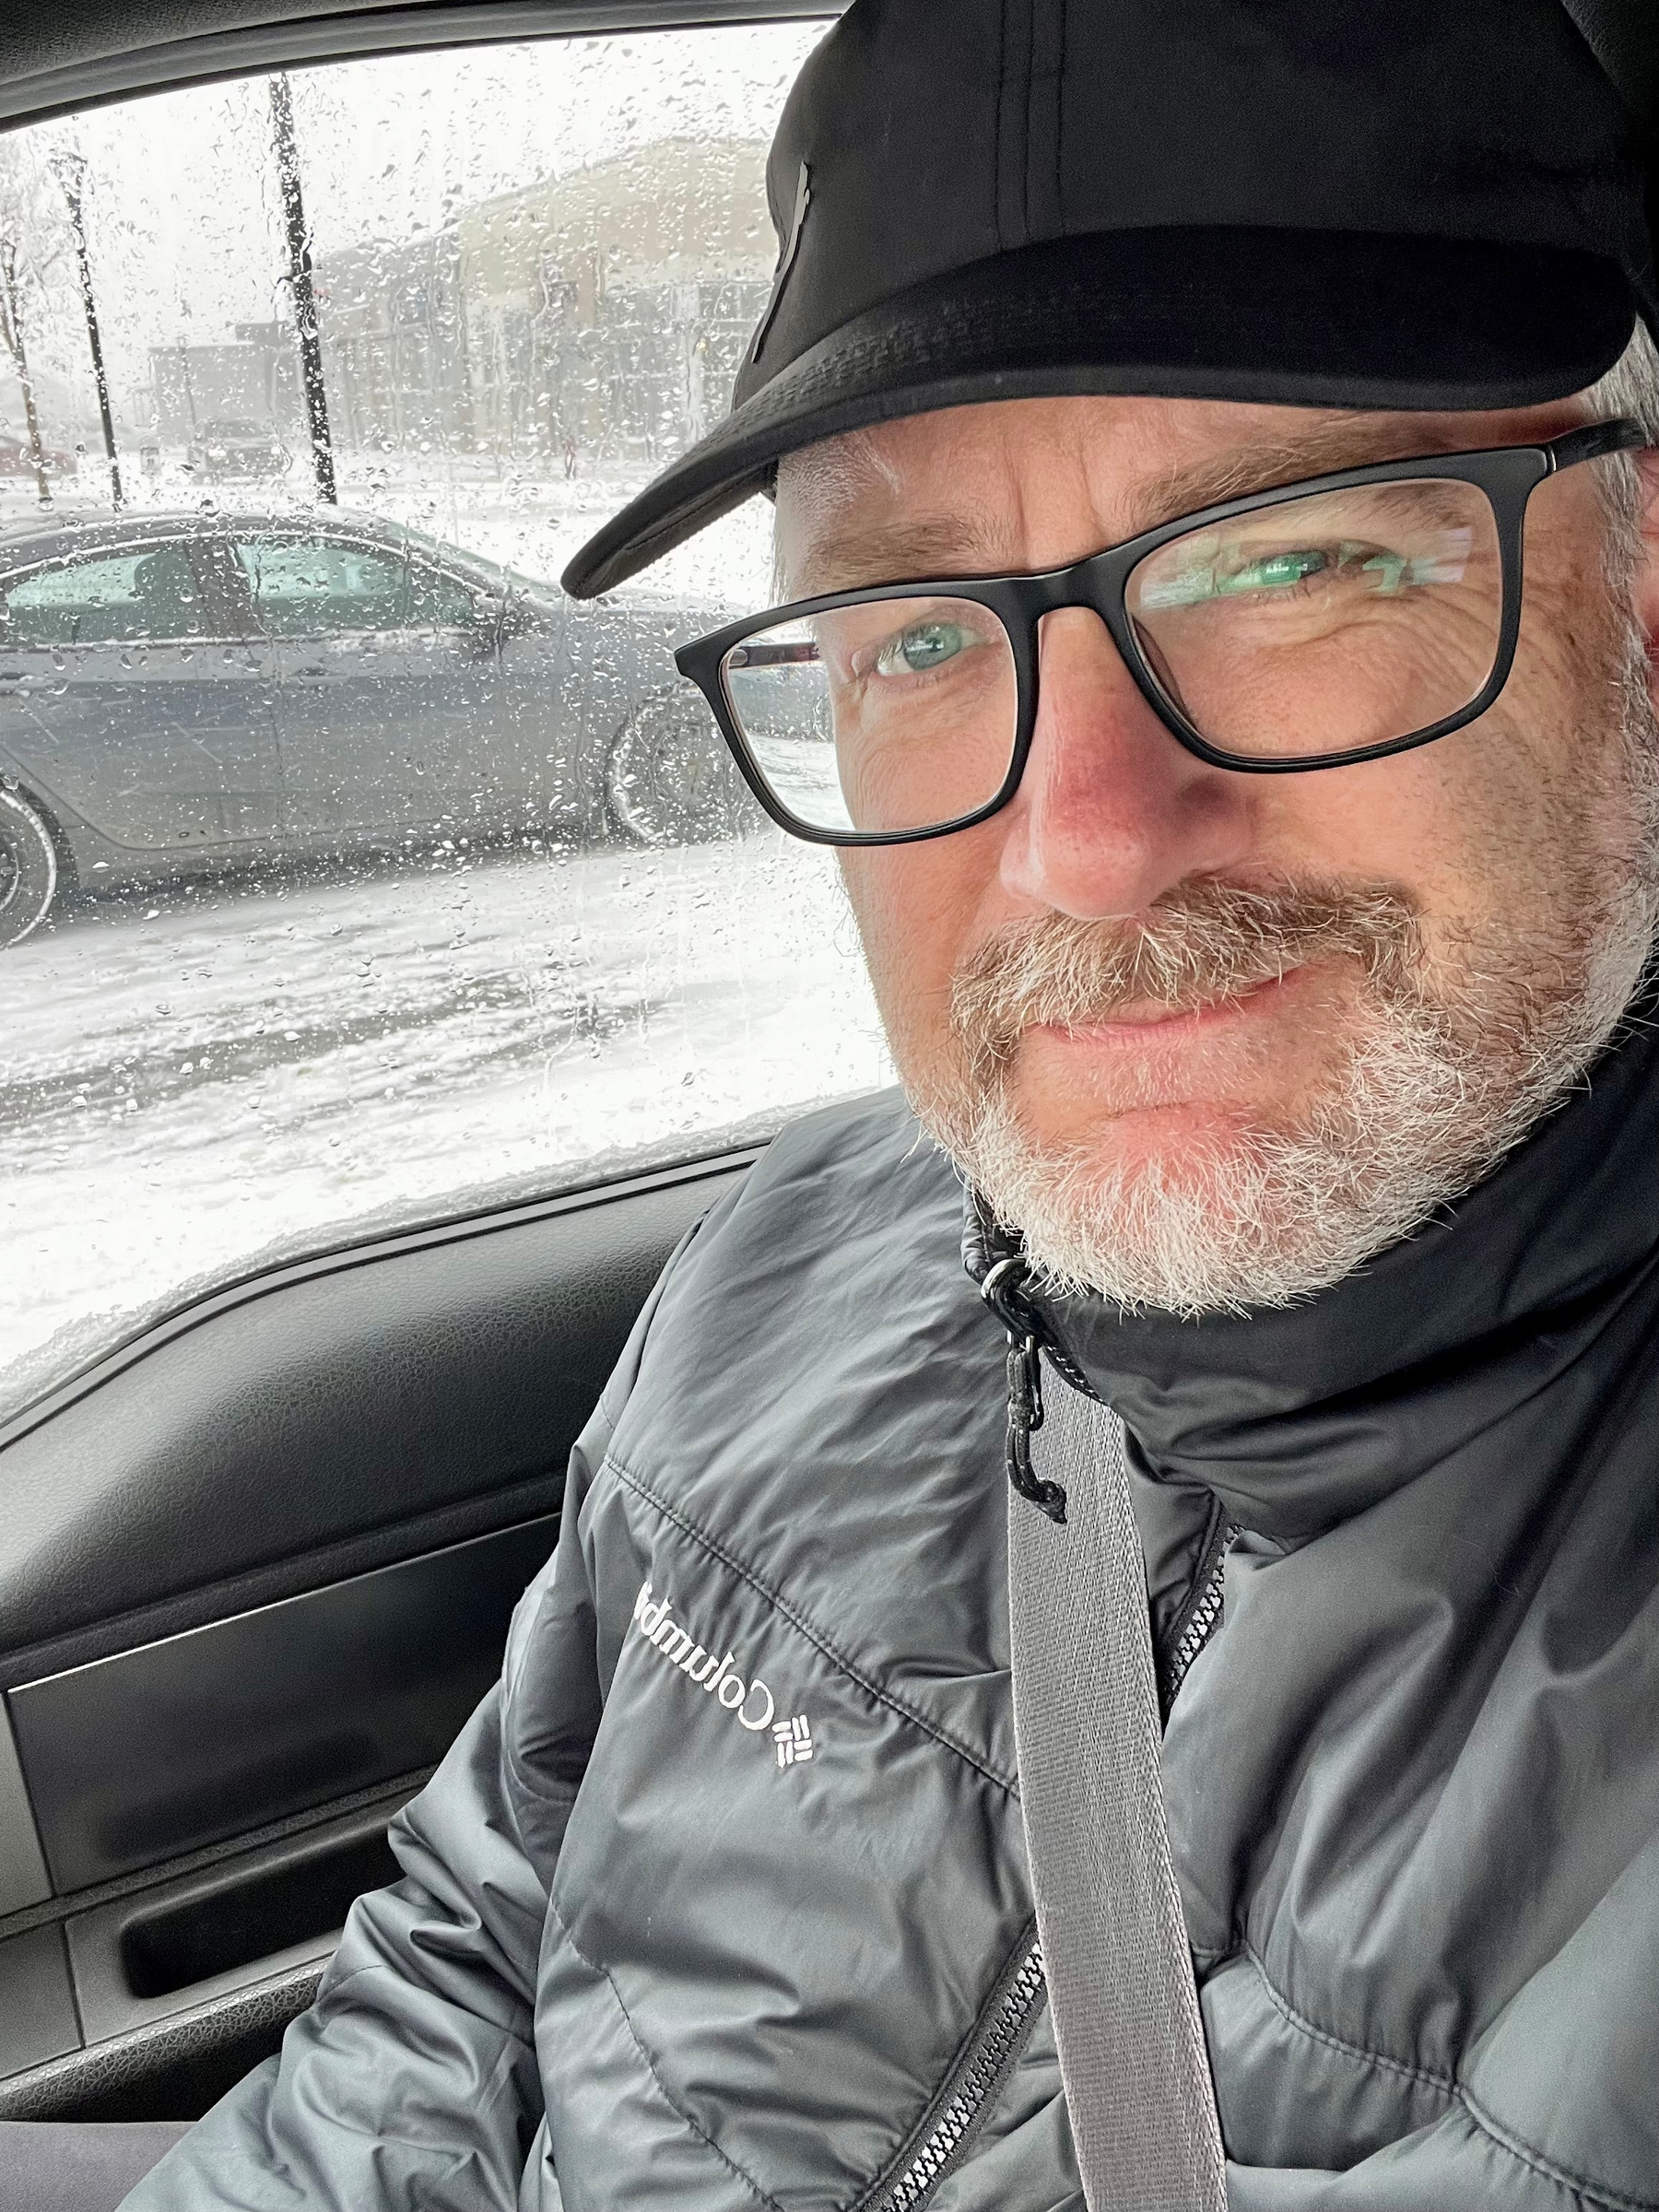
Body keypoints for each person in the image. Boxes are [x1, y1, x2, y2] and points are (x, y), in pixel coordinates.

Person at [19, 0, 1655, 2206]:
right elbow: (469, 1960)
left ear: (1639, 596)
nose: (1083, 845)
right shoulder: (794, 1255)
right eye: (910, 630)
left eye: (1292, 559)